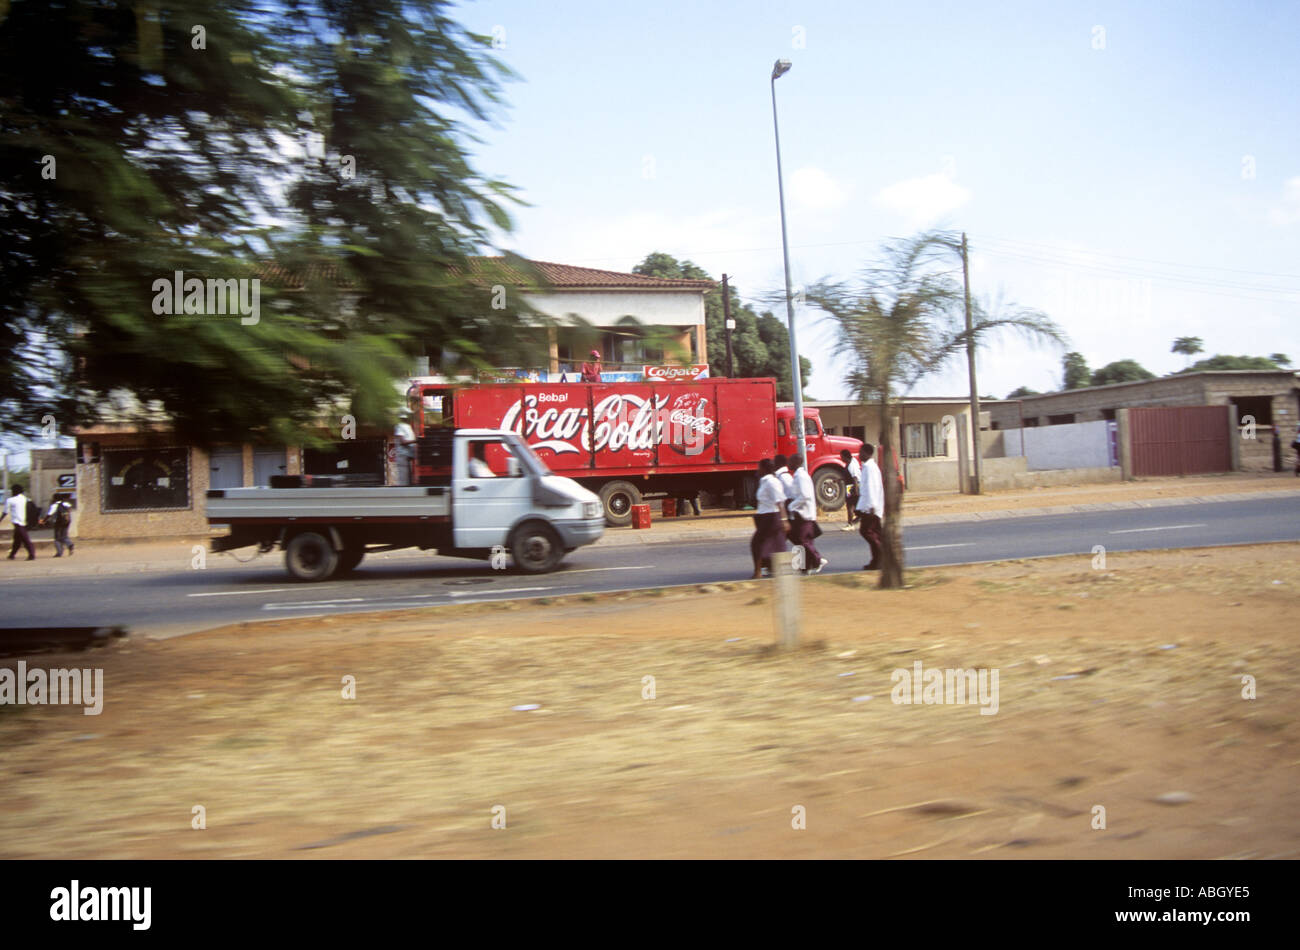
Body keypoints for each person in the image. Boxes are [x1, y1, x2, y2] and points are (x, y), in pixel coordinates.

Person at [787, 454, 828, 574]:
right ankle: (806, 567)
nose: (788, 463)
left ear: (795, 462)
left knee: (803, 539)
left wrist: (791, 505)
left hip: (804, 514)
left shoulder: (801, 477)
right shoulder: (798, 476)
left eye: (790, 461)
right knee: (805, 541)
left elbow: (805, 496)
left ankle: (818, 560)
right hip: (801, 514)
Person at [749, 458, 788, 579]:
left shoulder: (772, 482)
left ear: (764, 469)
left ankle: (758, 572)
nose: (757, 469)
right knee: (774, 544)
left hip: (771, 517)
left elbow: (779, 501)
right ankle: (774, 569)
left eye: (759, 467)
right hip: (764, 516)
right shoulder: (764, 481)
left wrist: (784, 520)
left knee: (757, 543)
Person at [856, 445, 885, 571]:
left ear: (867, 453)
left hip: (871, 508)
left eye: (861, 452)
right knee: (875, 534)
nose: (859, 455)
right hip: (870, 507)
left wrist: (871, 507)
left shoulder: (870, 468)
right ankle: (876, 561)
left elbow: (872, 488)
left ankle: (882, 557)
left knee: (867, 532)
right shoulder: (868, 467)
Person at [1, 484, 37, 561]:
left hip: (18, 523)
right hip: (25, 522)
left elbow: (5, 512)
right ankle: (12, 555)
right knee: (17, 539)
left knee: (25, 539)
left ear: (14, 491)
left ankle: (32, 554)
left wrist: (0, 520)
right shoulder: (25, 499)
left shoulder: (10, 500)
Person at [392, 409, 417, 486]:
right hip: (403, 456)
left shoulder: (408, 427)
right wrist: (416, 441)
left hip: (408, 456)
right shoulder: (399, 426)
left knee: (409, 481)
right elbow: (403, 442)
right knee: (404, 482)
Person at [840, 448, 861, 530]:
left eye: (842, 457)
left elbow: (855, 477)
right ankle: (857, 519)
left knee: (850, 505)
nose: (841, 458)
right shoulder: (851, 462)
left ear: (845, 457)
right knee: (855, 505)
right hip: (851, 486)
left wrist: (855, 490)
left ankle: (850, 524)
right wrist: (838, 480)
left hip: (852, 487)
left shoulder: (851, 465)